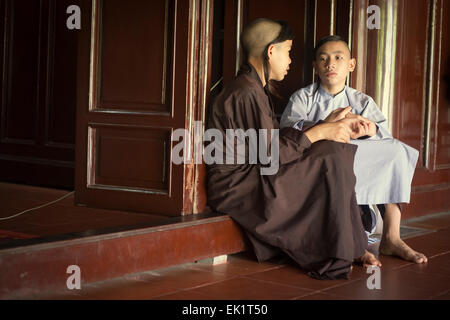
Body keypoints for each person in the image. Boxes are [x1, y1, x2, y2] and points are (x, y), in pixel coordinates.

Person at [206, 19, 381, 280]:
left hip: (257, 171)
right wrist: (319, 132)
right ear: (271, 51)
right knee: (329, 156)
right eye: (287, 51)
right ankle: (336, 250)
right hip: (239, 185)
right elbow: (269, 157)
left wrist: (325, 124)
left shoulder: (254, 88)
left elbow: (271, 142)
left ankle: (349, 246)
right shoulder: (244, 92)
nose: (290, 60)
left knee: (333, 150)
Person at [280, 35, 428, 264]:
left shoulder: (362, 101)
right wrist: (329, 125)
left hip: (357, 156)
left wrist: (366, 130)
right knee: (336, 155)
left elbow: (383, 136)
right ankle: (353, 243)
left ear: (351, 64)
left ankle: (391, 236)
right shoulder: (303, 97)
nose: (331, 64)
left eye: (338, 58)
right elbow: (289, 131)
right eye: (323, 59)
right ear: (315, 66)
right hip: (318, 160)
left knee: (396, 151)